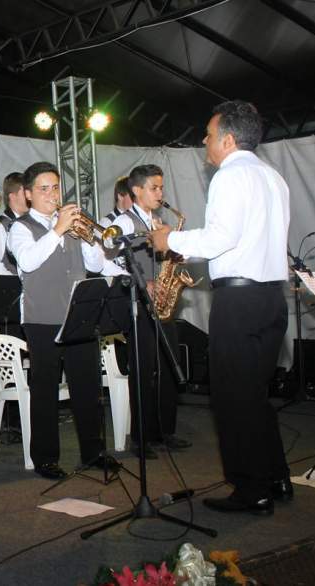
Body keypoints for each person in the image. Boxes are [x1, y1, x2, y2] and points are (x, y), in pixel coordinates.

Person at [151, 100, 291, 516]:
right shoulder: (273, 177)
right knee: (256, 396)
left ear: (228, 140)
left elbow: (219, 238)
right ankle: (276, 476)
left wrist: (169, 241)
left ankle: (251, 490)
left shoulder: (230, 176)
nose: (204, 141)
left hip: (240, 300)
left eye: (209, 135)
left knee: (232, 399)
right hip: (270, 298)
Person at [7, 162, 123, 479]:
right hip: (41, 319)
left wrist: (88, 238)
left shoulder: (71, 226)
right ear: (28, 194)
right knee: (44, 390)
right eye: (44, 188)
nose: (52, 194)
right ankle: (45, 458)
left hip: (78, 316)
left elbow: (95, 264)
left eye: (56, 187)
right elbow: (28, 262)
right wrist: (58, 229)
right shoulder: (20, 228)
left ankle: (94, 452)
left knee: (87, 387)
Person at [111, 165, 191, 457]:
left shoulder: (158, 220)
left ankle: (164, 431)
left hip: (163, 305)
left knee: (168, 367)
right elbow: (110, 258)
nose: (160, 193)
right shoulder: (124, 222)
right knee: (143, 371)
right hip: (138, 304)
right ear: (136, 191)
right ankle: (141, 438)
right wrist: (141, 280)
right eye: (154, 188)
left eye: (161, 187)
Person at [0, 171, 27, 277]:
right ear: (12, 196)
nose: (30, 196)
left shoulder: (29, 223)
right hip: (11, 290)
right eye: (25, 193)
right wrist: (18, 281)